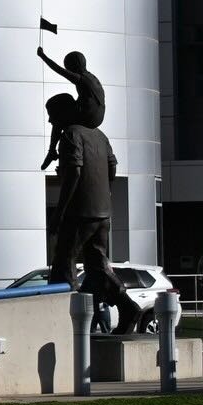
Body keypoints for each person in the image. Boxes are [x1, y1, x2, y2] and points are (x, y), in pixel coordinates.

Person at [48, 94, 141, 335]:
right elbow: (112, 165)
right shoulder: (99, 135)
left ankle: (62, 322)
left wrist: (59, 212)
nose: (50, 121)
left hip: (79, 211)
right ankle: (127, 306)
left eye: (52, 114)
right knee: (98, 265)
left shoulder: (70, 134)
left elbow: (74, 173)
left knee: (63, 264)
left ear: (64, 113)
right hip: (102, 212)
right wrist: (103, 192)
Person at [39, 46, 105, 170]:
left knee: (57, 108)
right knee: (66, 99)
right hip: (97, 115)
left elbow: (58, 70)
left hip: (88, 116)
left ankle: (52, 151)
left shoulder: (81, 79)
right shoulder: (92, 77)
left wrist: (43, 56)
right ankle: (52, 150)